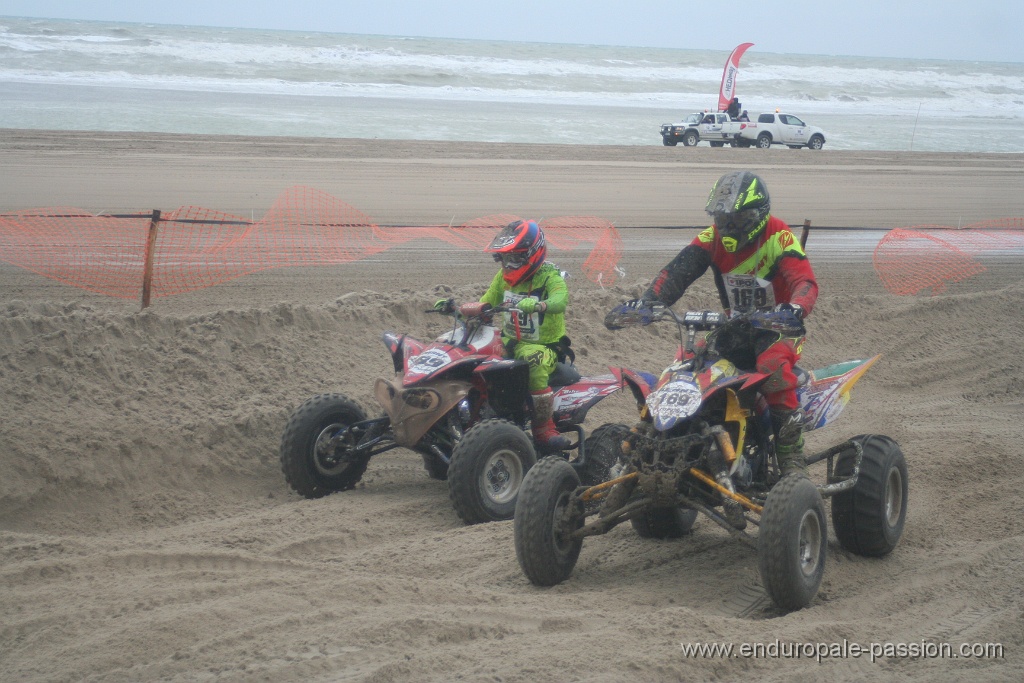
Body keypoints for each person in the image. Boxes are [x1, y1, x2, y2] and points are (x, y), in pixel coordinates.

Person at [634, 171, 818, 477]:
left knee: (773, 370)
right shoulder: (711, 238)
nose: (728, 227)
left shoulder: (779, 237)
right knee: (687, 364)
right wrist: (649, 301)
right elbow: (677, 272)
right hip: (734, 327)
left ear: (758, 215)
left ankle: (791, 459)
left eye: (737, 219)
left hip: (779, 329)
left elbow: (806, 282)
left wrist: (795, 308)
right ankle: (680, 440)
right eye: (722, 219)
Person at [440, 219, 571, 452]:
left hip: (544, 347)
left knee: (533, 362)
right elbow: (486, 302)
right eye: (505, 259)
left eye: (515, 258)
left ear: (533, 253)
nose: (509, 265)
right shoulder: (502, 278)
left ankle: (544, 428)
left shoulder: (551, 276)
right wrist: (459, 310)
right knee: (472, 355)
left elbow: (560, 301)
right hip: (509, 342)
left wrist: (540, 305)